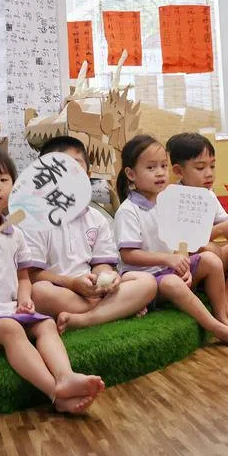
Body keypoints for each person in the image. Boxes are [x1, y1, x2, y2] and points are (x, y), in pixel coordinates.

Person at [0, 148, 105, 414]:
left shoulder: (15, 233)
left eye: (4, 180)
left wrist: (25, 299)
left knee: (46, 324)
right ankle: (54, 392)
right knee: (10, 330)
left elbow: (23, 277)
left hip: (6, 310)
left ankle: (66, 375)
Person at [115, 135, 228, 348]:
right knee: (174, 280)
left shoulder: (169, 201)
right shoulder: (128, 211)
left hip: (168, 270)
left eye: (163, 166)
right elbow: (128, 255)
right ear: (131, 174)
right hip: (146, 280)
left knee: (210, 259)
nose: (160, 172)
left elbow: (181, 241)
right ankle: (219, 330)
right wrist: (169, 260)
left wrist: (182, 262)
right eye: (151, 167)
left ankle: (222, 313)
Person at [26, 136, 157, 333]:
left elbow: (101, 264)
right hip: (59, 290)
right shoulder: (33, 218)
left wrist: (105, 280)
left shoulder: (96, 218)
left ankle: (85, 319)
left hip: (92, 291)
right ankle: (116, 310)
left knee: (146, 282)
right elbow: (32, 274)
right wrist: (71, 284)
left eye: (75, 167)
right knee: (38, 292)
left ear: (87, 174)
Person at [166, 132, 228, 325]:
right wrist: (221, 229)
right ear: (178, 170)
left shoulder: (208, 195)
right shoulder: (174, 198)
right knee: (208, 250)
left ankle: (225, 302)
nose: (209, 173)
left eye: (212, 166)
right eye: (200, 167)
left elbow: (227, 227)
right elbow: (183, 246)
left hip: (212, 259)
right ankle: (221, 312)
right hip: (186, 267)